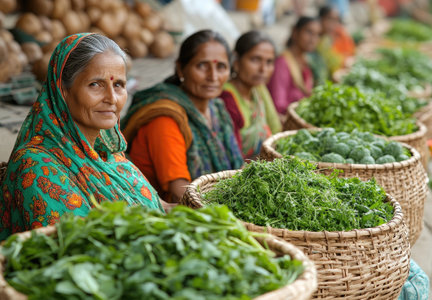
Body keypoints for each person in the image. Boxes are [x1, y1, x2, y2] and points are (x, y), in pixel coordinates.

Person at [0, 33, 168, 241]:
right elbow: (78, 249)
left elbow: (159, 207)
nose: (111, 98)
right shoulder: (36, 167)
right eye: (95, 84)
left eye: (119, 85)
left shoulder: (110, 155)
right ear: (63, 91)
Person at [121, 30, 243, 203]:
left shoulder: (217, 109)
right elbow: (181, 194)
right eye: (202, 66)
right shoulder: (165, 119)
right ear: (180, 68)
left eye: (221, 67)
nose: (213, 76)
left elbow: (237, 167)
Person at [220, 31, 281, 160]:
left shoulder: (258, 90)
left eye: (269, 62)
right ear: (236, 61)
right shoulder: (226, 97)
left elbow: (276, 130)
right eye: (255, 60)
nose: (263, 69)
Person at [267, 16, 321, 115]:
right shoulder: (282, 63)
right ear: (295, 32)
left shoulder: (306, 63)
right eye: (309, 32)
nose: (313, 39)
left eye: (317, 35)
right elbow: (279, 104)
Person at [317, 5, 355, 75]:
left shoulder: (327, 39)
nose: (333, 24)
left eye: (336, 20)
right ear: (321, 19)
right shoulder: (315, 40)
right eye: (330, 19)